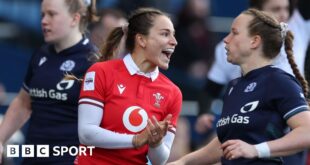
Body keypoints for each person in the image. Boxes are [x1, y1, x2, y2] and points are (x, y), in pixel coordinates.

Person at [168, 8, 310, 165]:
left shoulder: (278, 81)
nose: (226, 40)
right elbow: (225, 144)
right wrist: (182, 162)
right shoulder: (234, 86)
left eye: (234, 33)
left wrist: (256, 149)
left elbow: (307, 132)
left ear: (254, 41)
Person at [75, 7, 182, 165]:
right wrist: (135, 140)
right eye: (165, 34)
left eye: (173, 34)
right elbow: (86, 133)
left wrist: (156, 143)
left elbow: (160, 160)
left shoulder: (173, 93)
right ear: (141, 40)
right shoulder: (101, 71)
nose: (174, 41)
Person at [0, 0, 97, 164]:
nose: (44, 21)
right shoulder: (40, 55)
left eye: (52, 14)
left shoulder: (93, 62)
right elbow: (23, 103)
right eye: (42, 15)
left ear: (75, 19)